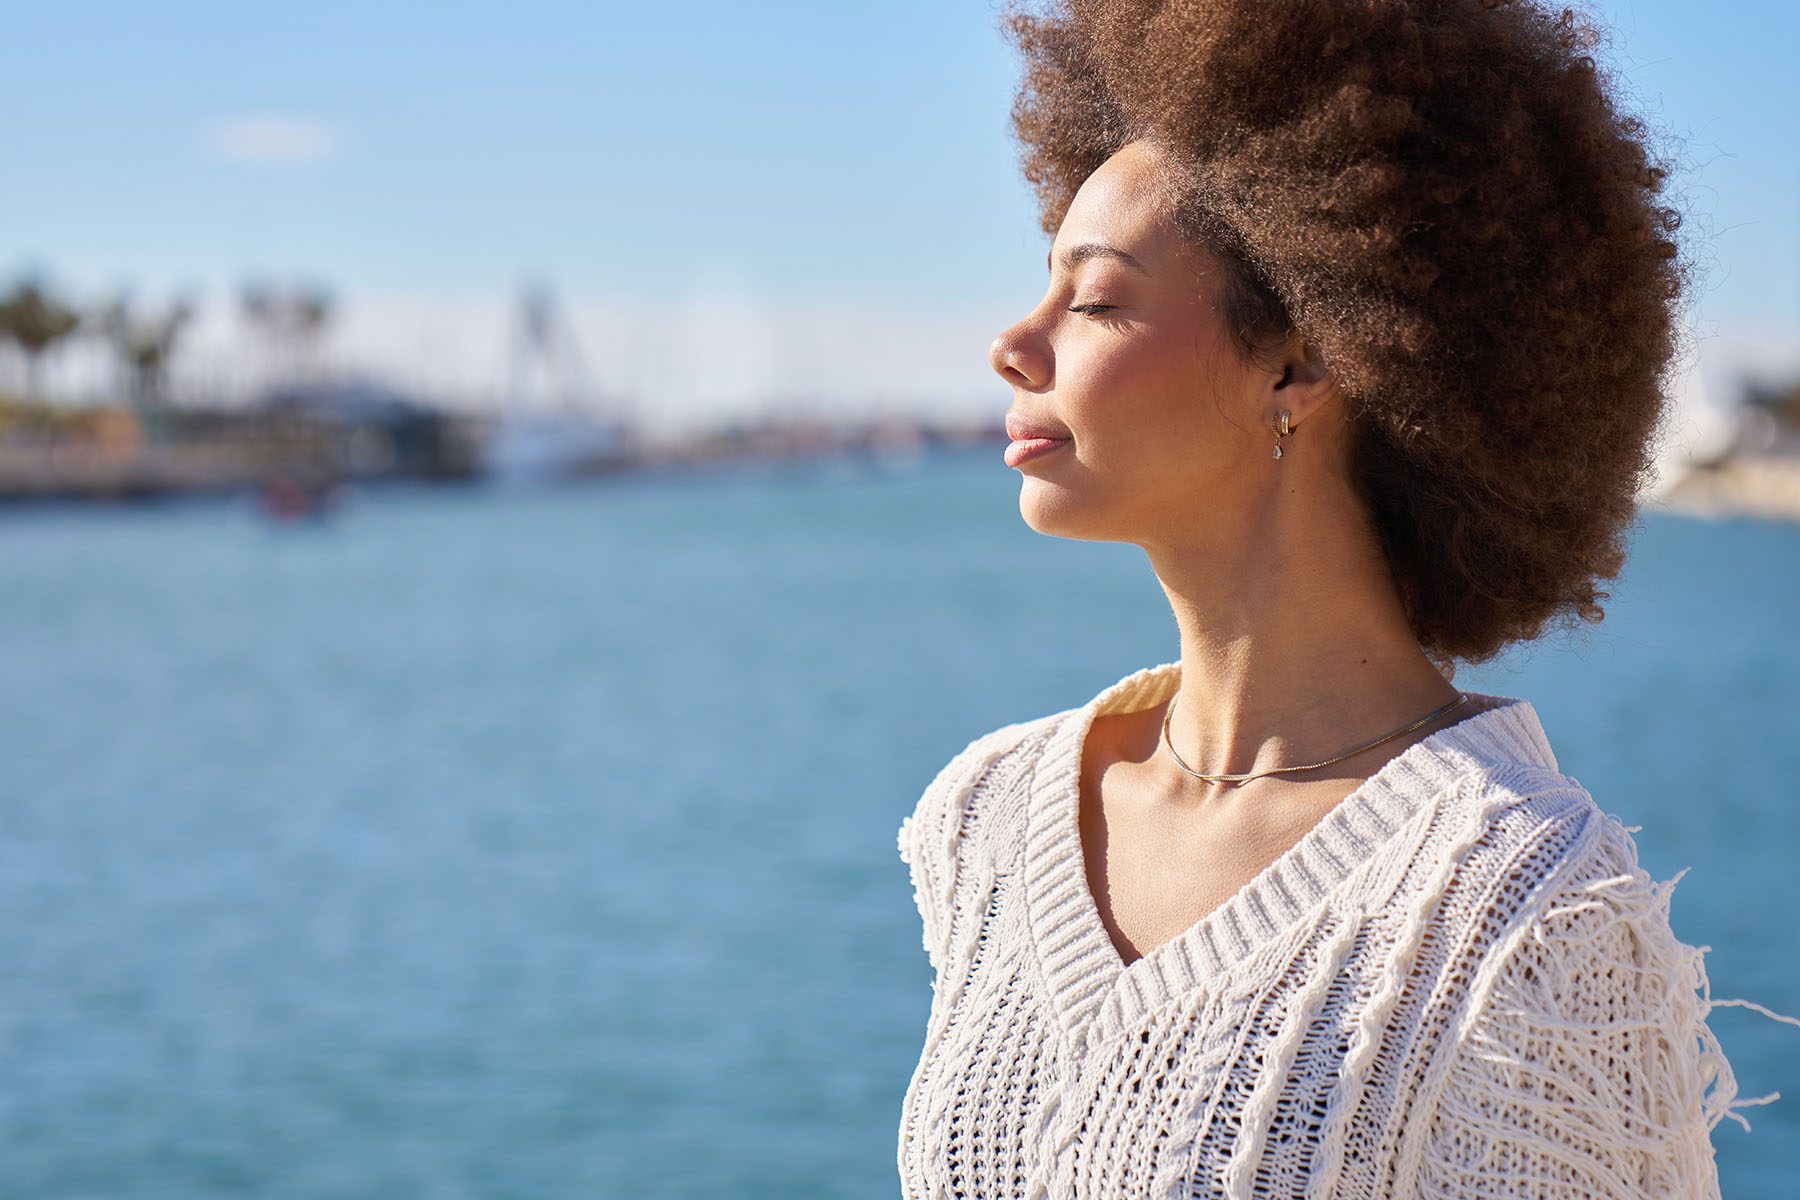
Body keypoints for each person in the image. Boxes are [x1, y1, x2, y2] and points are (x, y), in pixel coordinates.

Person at [895, 2, 1800, 1197]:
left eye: (1098, 297)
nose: (1015, 342)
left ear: (1302, 362)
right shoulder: (991, 820)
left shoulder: (1530, 921)